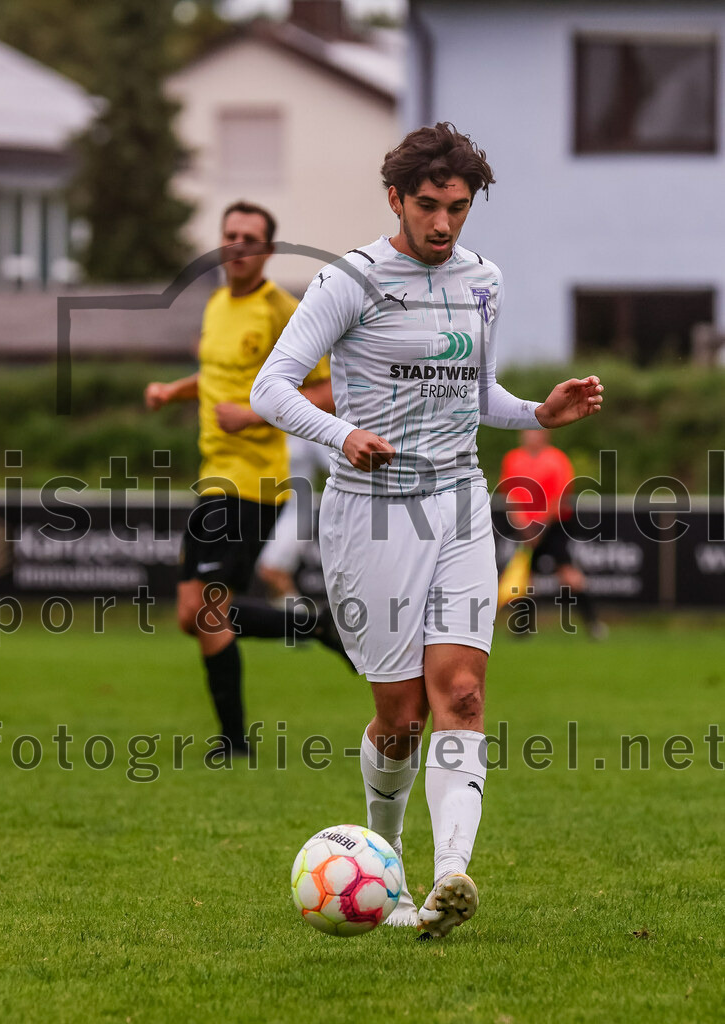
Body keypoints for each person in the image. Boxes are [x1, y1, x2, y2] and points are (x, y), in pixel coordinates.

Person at [251, 123, 603, 936]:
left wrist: (536, 412)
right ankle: (388, 857)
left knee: (465, 696)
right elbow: (271, 387)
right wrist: (342, 436)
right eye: (428, 206)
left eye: (458, 206)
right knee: (400, 717)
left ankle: (449, 879)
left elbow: (473, 393)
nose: (444, 224)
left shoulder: (485, 281)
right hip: (369, 515)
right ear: (396, 201)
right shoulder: (351, 281)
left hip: (457, 503)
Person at [144, 201, 345, 756]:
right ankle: (311, 631)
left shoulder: (283, 308)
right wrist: (173, 391)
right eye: (229, 234)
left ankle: (237, 738)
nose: (237, 245)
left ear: (268, 249)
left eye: (250, 237)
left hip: (252, 482)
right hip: (216, 477)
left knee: (202, 612)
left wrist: (256, 414)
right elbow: (215, 375)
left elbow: (328, 391)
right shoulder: (213, 306)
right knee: (199, 614)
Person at [499, 429, 605, 637]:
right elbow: (510, 495)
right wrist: (522, 524)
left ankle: (593, 624)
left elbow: (560, 497)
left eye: (533, 432)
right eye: (526, 432)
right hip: (525, 529)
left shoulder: (557, 460)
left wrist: (540, 525)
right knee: (524, 577)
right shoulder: (513, 459)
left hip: (553, 525)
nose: (528, 436)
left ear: (544, 436)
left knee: (568, 574)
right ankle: (523, 629)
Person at [256, 433, 331, 603]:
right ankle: (289, 624)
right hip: (269, 510)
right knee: (269, 575)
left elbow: (333, 464)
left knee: (272, 570)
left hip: (298, 513)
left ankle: (303, 623)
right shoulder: (265, 424)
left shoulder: (306, 428)